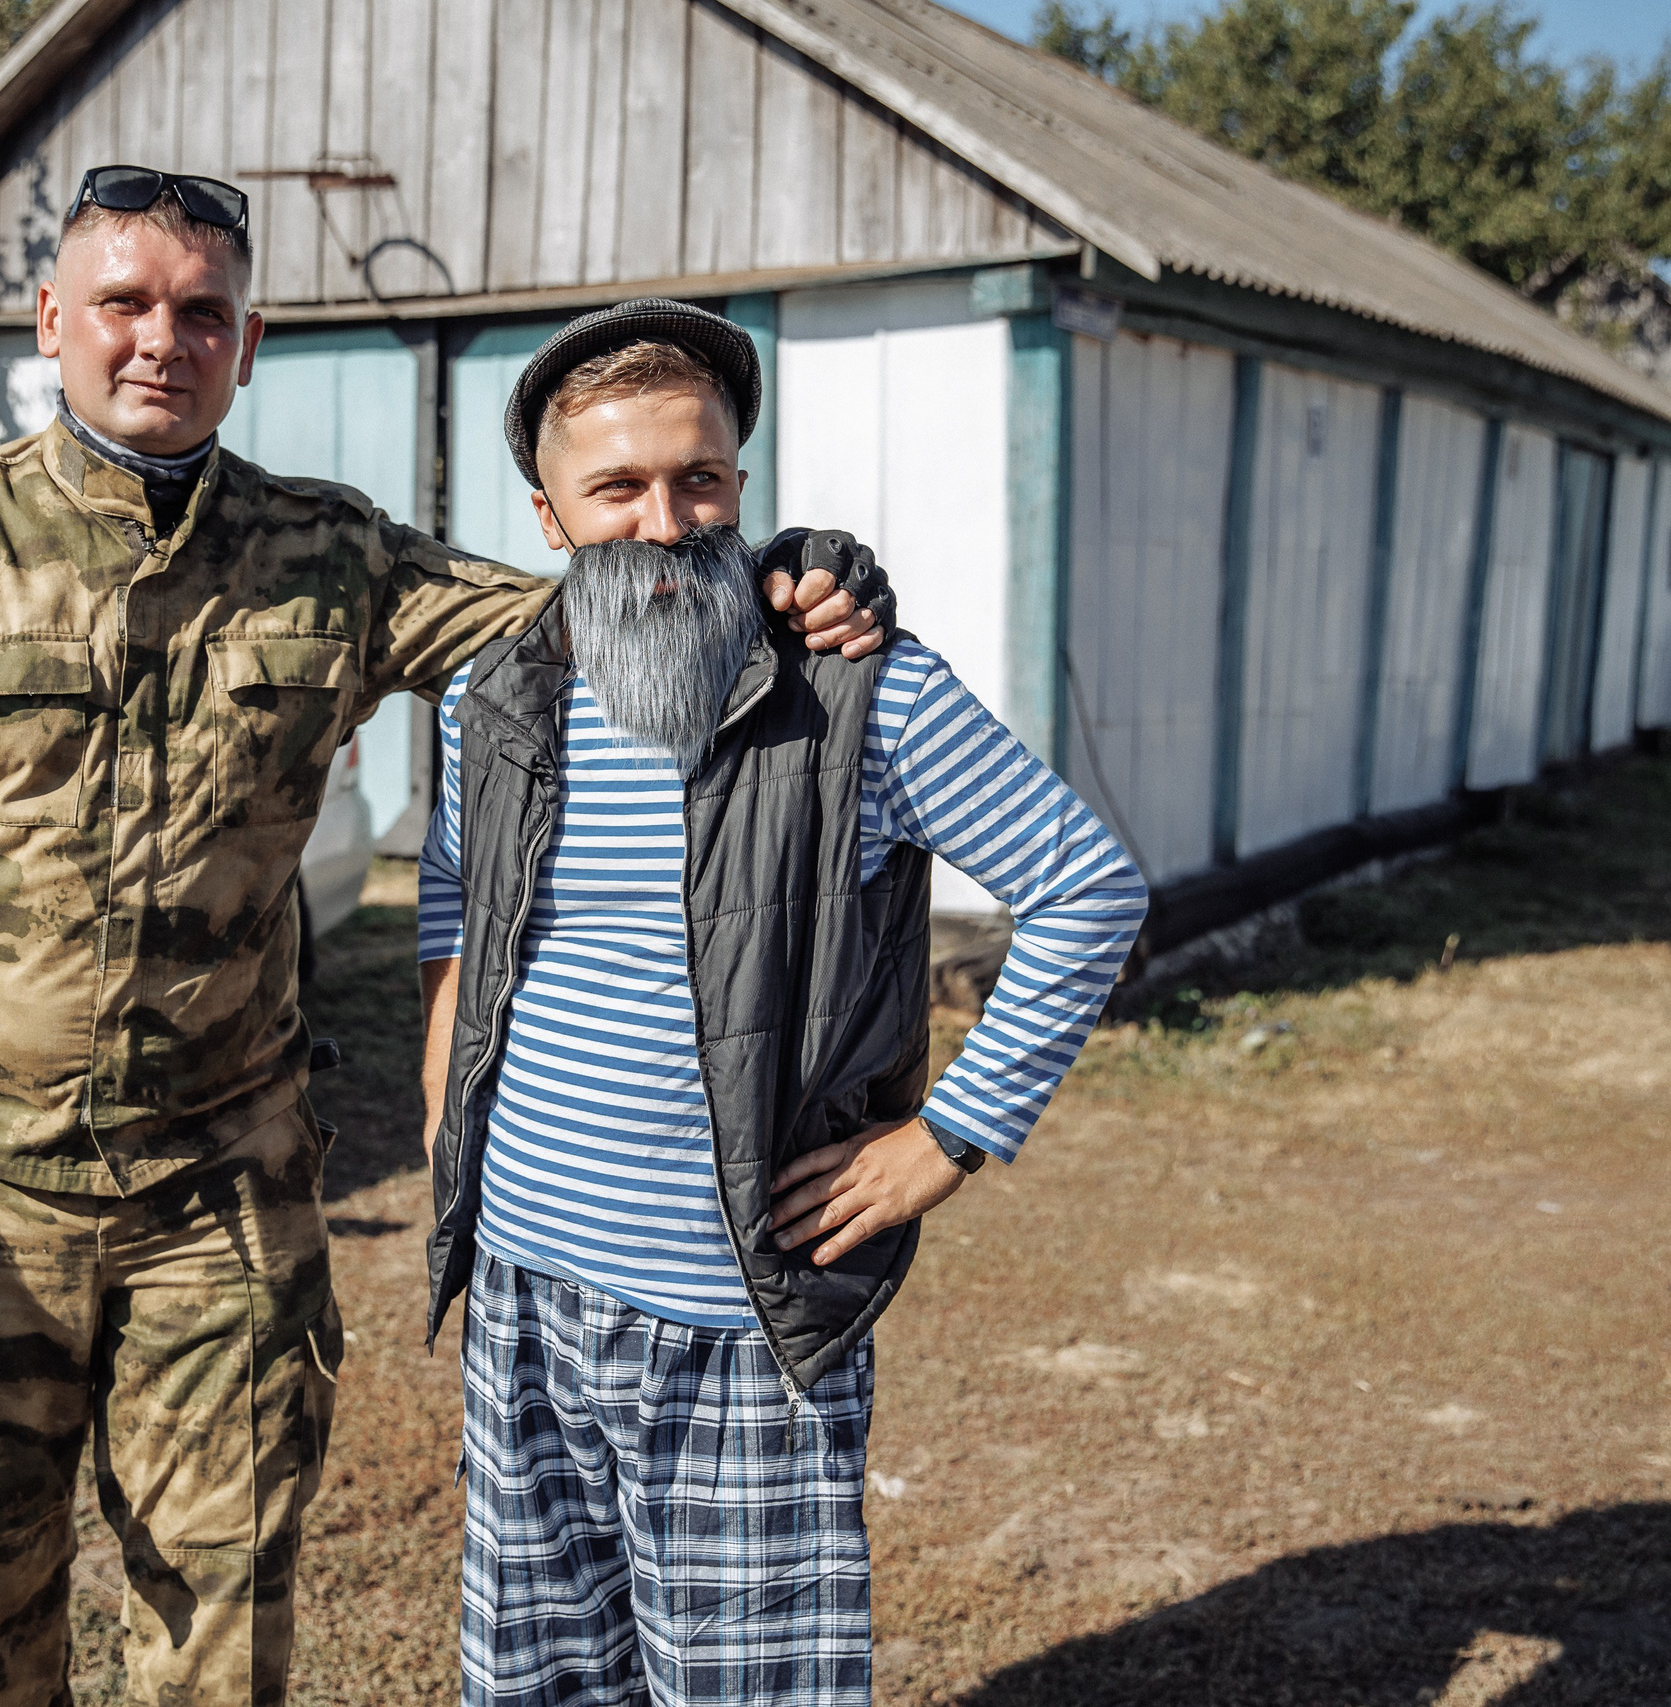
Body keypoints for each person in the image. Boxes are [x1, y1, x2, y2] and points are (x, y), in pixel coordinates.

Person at [0, 168, 893, 1707]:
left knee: (223, 1625)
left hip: (222, 1203)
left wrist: (778, 571)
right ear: (54, 322)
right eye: (124, 304)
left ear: (248, 340)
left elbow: (578, 611)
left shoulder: (329, 556)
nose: (160, 340)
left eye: (202, 311)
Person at [416, 301, 1149, 1706]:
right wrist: (452, 1122)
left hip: (737, 1319)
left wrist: (945, 1139)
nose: (663, 519)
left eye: (699, 479)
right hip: (523, 1294)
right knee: (538, 1686)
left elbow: (1087, 889)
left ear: (741, 490)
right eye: (617, 487)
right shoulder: (494, 695)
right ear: (551, 514)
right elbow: (458, 907)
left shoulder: (860, 692)